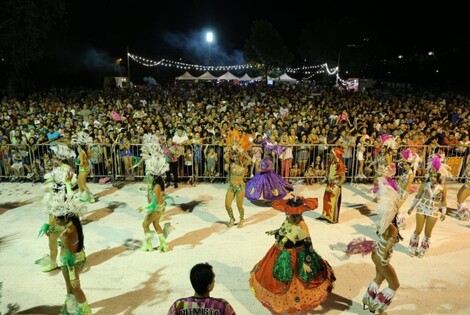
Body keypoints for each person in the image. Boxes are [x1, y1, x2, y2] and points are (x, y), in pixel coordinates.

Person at [249, 195, 335, 314]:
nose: (289, 216)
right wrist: (276, 232)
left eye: (292, 215)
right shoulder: (288, 221)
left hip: (296, 258)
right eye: (288, 214)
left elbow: (308, 246)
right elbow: (284, 230)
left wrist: (307, 263)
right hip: (279, 253)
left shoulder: (301, 227)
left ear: (299, 214)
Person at [361, 161, 403, 314]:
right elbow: (387, 247)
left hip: (377, 254)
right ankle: (378, 307)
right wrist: (384, 260)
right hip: (381, 256)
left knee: (379, 279)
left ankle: (367, 299)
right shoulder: (391, 227)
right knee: (394, 285)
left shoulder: (384, 222)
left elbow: (397, 203)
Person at [48, 189, 91, 315]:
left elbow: (69, 256)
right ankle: (72, 306)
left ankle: (85, 309)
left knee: (75, 288)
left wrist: (73, 276)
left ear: (65, 217)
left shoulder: (67, 233)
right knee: (71, 289)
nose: (54, 219)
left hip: (71, 263)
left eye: (57, 217)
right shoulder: (73, 224)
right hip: (79, 257)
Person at [36, 144, 77, 272]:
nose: (52, 159)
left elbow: (70, 185)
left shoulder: (66, 169)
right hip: (54, 202)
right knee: (52, 239)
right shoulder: (56, 169)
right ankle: (53, 262)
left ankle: (67, 260)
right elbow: (50, 183)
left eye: (54, 157)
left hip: (64, 205)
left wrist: (67, 189)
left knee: (65, 238)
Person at [407, 153, 450, 258]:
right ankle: (413, 246)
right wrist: (411, 207)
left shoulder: (443, 187)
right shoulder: (424, 185)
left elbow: (444, 201)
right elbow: (418, 196)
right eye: (431, 175)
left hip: (433, 211)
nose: (432, 177)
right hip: (422, 208)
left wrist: (444, 213)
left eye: (435, 176)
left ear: (439, 176)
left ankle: (423, 249)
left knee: (427, 232)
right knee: (418, 230)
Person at [136, 134, 172, 252]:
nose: (148, 176)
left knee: (145, 225)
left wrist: (143, 207)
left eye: (150, 175)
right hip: (158, 208)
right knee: (156, 225)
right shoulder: (154, 183)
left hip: (156, 209)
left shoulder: (157, 186)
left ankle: (148, 245)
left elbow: (154, 202)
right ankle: (163, 244)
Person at [167, 262, 236, 315]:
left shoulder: (179, 305)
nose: (214, 281)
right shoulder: (222, 305)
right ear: (209, 287)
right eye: (213, 280)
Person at [224, 143, 251, 228]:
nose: (235, 158)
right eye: (234, 156)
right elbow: (225, 156)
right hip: (231, 187)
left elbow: (250, 159)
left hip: (240, 188)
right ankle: (232, 218)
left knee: (239, 206)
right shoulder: (231, 164)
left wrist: (241, 150)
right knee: (227, 205)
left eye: (237, 156)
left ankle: (242, 219)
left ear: (240, 156)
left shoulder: (244, 165)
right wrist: (230, 148)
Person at [318, 147, 346, 223]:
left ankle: (333, 219)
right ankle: (326, 215)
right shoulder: (330, 162)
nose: (330, 154)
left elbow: (343, 178)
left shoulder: (340, 164)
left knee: (333, 201)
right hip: (329, 184)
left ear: (335, 155)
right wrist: (324, 180)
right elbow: (328, 174)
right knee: (326, 199)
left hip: (335, 185)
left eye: (331, 153)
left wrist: (336, 186)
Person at [71, 131, 94, 203]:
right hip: (86, 168)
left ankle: (90, 197)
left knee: (82, 183)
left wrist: (76, 161)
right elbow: (89, 157)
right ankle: (82, 195)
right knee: (79, 182)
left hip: (83, 168)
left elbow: (81, 163)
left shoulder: (81, 152)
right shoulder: (86, 151)